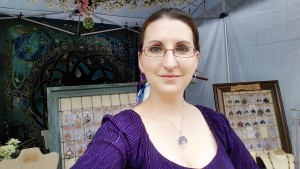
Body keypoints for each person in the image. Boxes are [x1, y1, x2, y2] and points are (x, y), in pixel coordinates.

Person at [71, 8, 259, 169]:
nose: (170, 63)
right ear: (140, 61)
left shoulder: (218, 124)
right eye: (155, 49)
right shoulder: (122, 132)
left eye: (182, 48)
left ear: (196, 59)